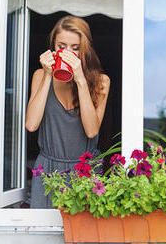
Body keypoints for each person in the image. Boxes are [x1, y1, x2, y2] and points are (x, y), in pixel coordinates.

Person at [25, 15, 110, 208]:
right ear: (53, 46)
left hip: (84, 171)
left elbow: (91, 131)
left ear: (85, 49)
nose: (67, 53)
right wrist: (48, 75)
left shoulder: (101, 82)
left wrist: (80, 78)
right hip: (47, 170)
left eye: (75, 48)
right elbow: (31, 125)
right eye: (61, 46)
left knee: (82, 235)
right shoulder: (39, 76)